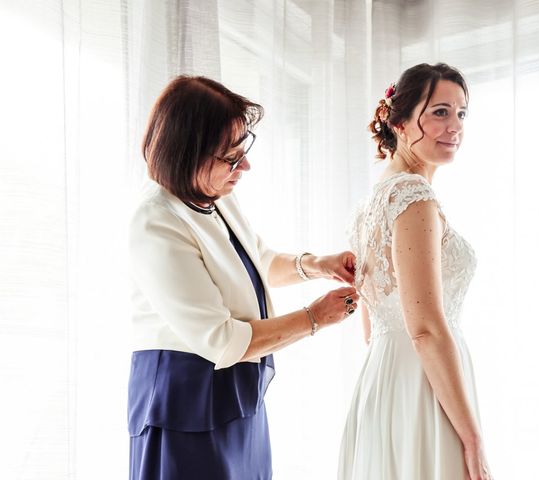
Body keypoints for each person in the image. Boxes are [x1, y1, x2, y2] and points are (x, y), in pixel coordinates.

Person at [127, 75, 359, 480]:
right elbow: (223, 339)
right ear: (188, 155)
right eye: (231, 157)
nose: (245, 165)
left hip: (234, 393)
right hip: (185, 403)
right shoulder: (156, 221)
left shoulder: (213, 195)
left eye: (242, 149)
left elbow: (259, 260)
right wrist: (315, 318)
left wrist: (318, 264)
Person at [338, 63, 492, 479]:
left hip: (384, 380)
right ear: (400, 122)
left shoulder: (370, 203)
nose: (454, 125)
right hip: (424, 387)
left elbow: (371, 328)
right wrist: (473, 438)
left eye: (461, 113)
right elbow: (424, 327)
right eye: (440, 112)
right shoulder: (412, 196)